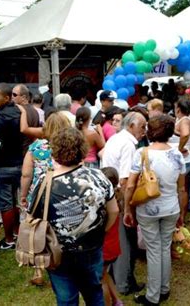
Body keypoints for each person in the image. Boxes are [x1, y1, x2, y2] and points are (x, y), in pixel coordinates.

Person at [33, 127, 118, 305]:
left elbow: (34, 217)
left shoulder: (44, 182)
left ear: (54, 152)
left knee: (66, 298)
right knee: (94, 293)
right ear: (83, 149)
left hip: (58, 251)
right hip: (92, 247)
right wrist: (102, 231)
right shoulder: (99, 177)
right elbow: (114, 210)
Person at [124, 115, 186, 305]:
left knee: (154, 249)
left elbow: (130, 185)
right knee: (164, 247)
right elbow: (182, 188)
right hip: (171, 207)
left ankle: (153, 296)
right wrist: (182, 213)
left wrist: (127, 208)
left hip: (148, 208)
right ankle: (164, 289)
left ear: (150, 131)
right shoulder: (178, 154)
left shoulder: (142, 153)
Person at [20, 112, 70, 286]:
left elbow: (26, 174)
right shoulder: (68, 145)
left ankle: (38, 270)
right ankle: (60, 260)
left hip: (39, 193)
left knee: (37, 229)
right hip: (61, 192)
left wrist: (24, 195)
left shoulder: (36, 147)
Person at [102, 112, 147, 295]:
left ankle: (116, 278)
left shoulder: (116, 138)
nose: (144, 131)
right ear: (131, 126)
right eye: (142, 127)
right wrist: (127, 207)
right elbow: (125, 179)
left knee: (117, 238)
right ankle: (124, 283)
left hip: (108, 193)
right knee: (126, 242)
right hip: (119, 196)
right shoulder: (128, 145)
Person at [0, 83, 23, 250]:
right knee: (14, 201)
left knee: (6, 205)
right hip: (19, 164)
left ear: (7, 98)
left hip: (2, 166)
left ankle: (9, 240)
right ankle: (16, 232)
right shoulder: (18, 111)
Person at [100, 167, 123, 306]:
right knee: (105, 274)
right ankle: (117, 301)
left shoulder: (104, 204)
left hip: (104, 247)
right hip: (114, 246)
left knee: (100, 279)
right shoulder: (117, 197)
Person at [172, 99, 190, 213]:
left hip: (184, 158)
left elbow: (185, 134)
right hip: (185, 157)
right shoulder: (186, 119)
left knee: (180, 188)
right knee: (182, 187)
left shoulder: (184, 121)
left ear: (178, 109)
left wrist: (180, 148)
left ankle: (181, 214)